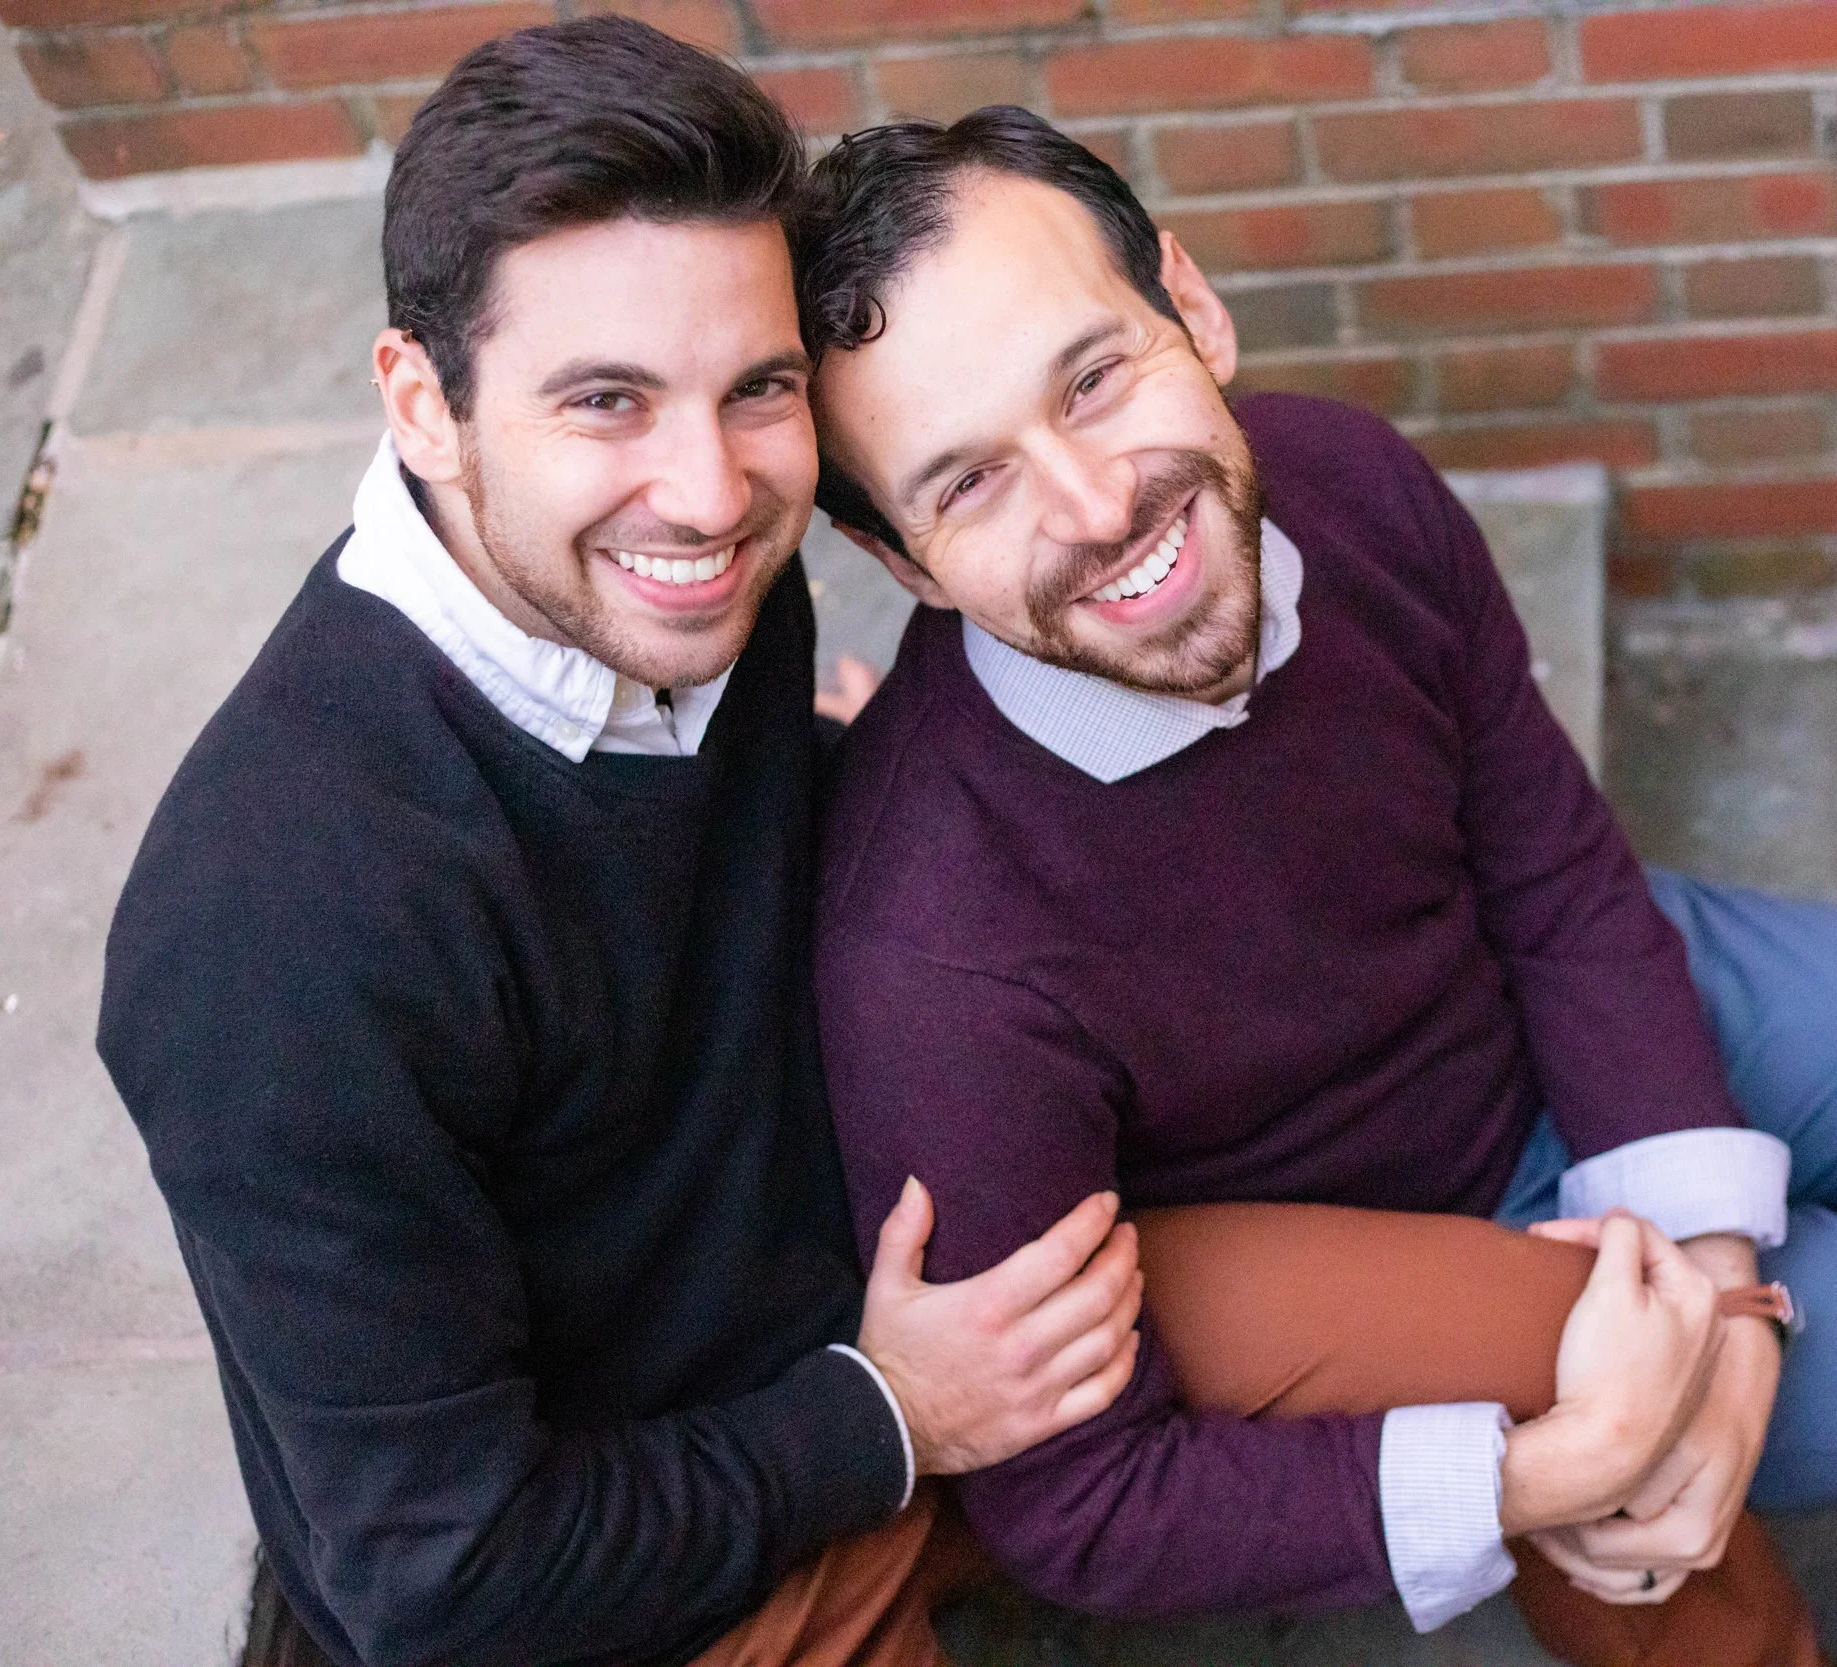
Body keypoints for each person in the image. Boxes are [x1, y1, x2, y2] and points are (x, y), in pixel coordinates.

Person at [798, 106, 1837, 1667]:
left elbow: (1554, 864)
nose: (1095, 506)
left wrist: (1723, 1272)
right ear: (909, 568)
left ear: (1191, 311)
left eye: (1093, 376)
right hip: (1407, 1238)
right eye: (969, 483)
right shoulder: (931, 954)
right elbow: (1077, 1509)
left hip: (1565, 993)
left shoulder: (1342, 480)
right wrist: (1552, 1431)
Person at [96, 26, 1150, 1667]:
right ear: (422, 404)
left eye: (759, 390)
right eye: (605, 402)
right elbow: (443, 1572)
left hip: (837, 1299)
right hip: (628, 1590)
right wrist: (878, 1416)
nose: (709, 491)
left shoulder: (687, 581)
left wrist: (852, 775)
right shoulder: (277, 939)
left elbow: (654, 862)